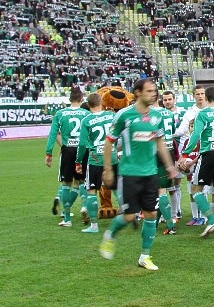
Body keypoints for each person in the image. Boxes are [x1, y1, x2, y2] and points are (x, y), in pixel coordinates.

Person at [99, 79, 177, 271]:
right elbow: (109, 143)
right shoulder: (124, 116)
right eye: (149, 91)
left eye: (155, 91)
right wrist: (108, 169)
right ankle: (110, 235)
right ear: (138, 92)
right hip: (128, 174)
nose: (154, 94)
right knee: (128, 216)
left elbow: (159, 142)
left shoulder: (157, 116)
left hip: (150, 173)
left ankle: (145, 256)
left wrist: (169, 166)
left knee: (151, 214)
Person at [182, 86, 214, 238]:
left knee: (196, 190)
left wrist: (185, 154)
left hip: (208, 153)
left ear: (205, 98)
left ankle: (212, 220)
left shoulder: (202, 114)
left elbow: (196, 134)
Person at [45, 87, 87, 226]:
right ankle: (85, 206)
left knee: (66, 183)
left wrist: (49, 153)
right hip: (82, 150)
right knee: (81, 182)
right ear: (81, 99)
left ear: (70, 99)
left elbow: (53, 134)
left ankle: (67, 219)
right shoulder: (86, 114)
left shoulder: (60, 113)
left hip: (67, 150)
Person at [75, 93, 115, 233]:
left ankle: (94, 226)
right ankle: (130, 216)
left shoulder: (86, 120)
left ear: (88, 104)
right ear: (101, 102)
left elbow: (82, 144)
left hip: (95, 159)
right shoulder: (111, 116)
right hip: (113, 156)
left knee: (91, 191)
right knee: (118, 188)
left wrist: (78, 161)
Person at [175, 85, 207, 225]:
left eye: (202, 93)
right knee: (191, 188)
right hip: (192, 153)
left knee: (205, 188)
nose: (200, 96)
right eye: (197, 94)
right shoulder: (190, 113)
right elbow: (182, 130)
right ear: (193, 95)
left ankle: (206, 216)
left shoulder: (210, 110)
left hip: (207, 153)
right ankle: (195, 216)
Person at [161, 90, 185, 220]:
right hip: (167, 150)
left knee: (176, 182)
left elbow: (183, 130)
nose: (167, 102)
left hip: (178, 150)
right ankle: (171, 212)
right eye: (165, 100)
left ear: (174, 99)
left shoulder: (182, 113)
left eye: (169, 99)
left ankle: (177, 210)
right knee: (165, 184)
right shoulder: (159, 113)